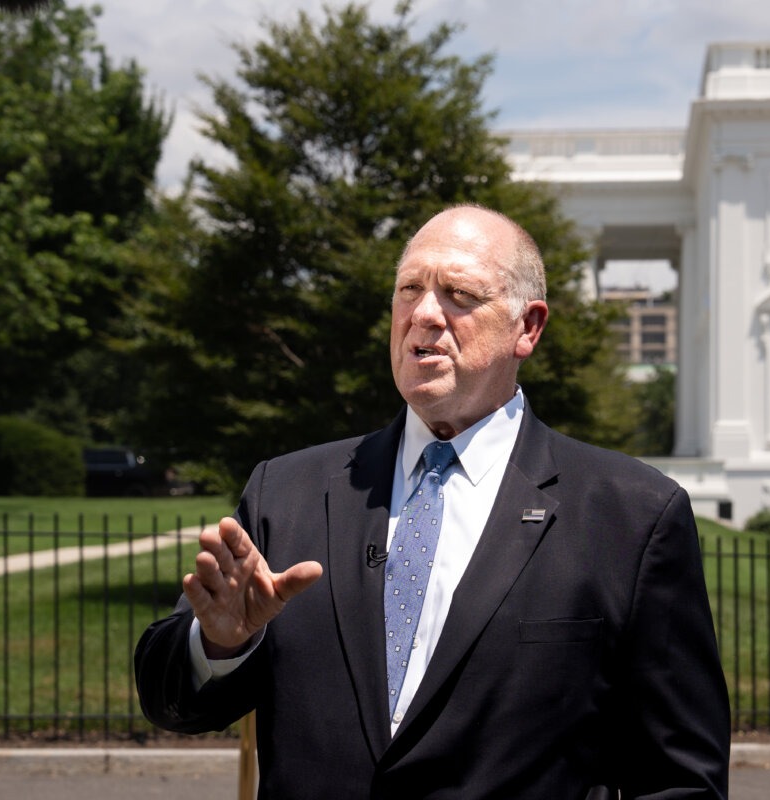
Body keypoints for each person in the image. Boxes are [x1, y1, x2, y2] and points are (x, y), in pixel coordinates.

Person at [134, 204, 730, 799]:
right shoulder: (287, 492)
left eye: (459, 294)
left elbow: (681, 779)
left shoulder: (632, 515)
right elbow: (172, 700)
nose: (423, 314)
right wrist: (220, 645)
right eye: (409, 290)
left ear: (528, 328)